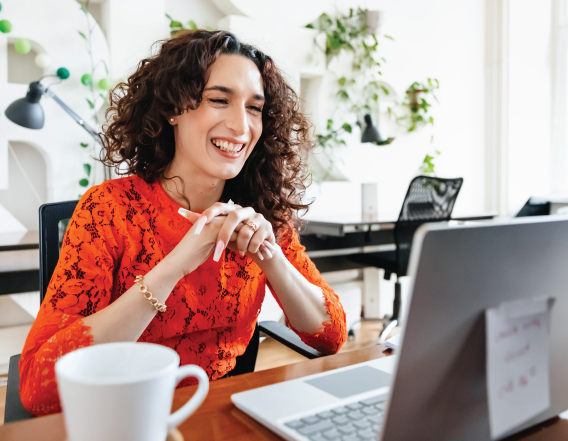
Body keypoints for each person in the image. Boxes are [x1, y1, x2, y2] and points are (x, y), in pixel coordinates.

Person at [19, 30, 347, 416]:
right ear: (172, 107)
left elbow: (332, 337)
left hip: (223, 416)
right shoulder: (108, 210)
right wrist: (176, 265)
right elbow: (37, 388)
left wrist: (269, 255)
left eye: (254, 108)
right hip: (125, 417)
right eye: (219, 100)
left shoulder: (261, 212)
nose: (241, 126)